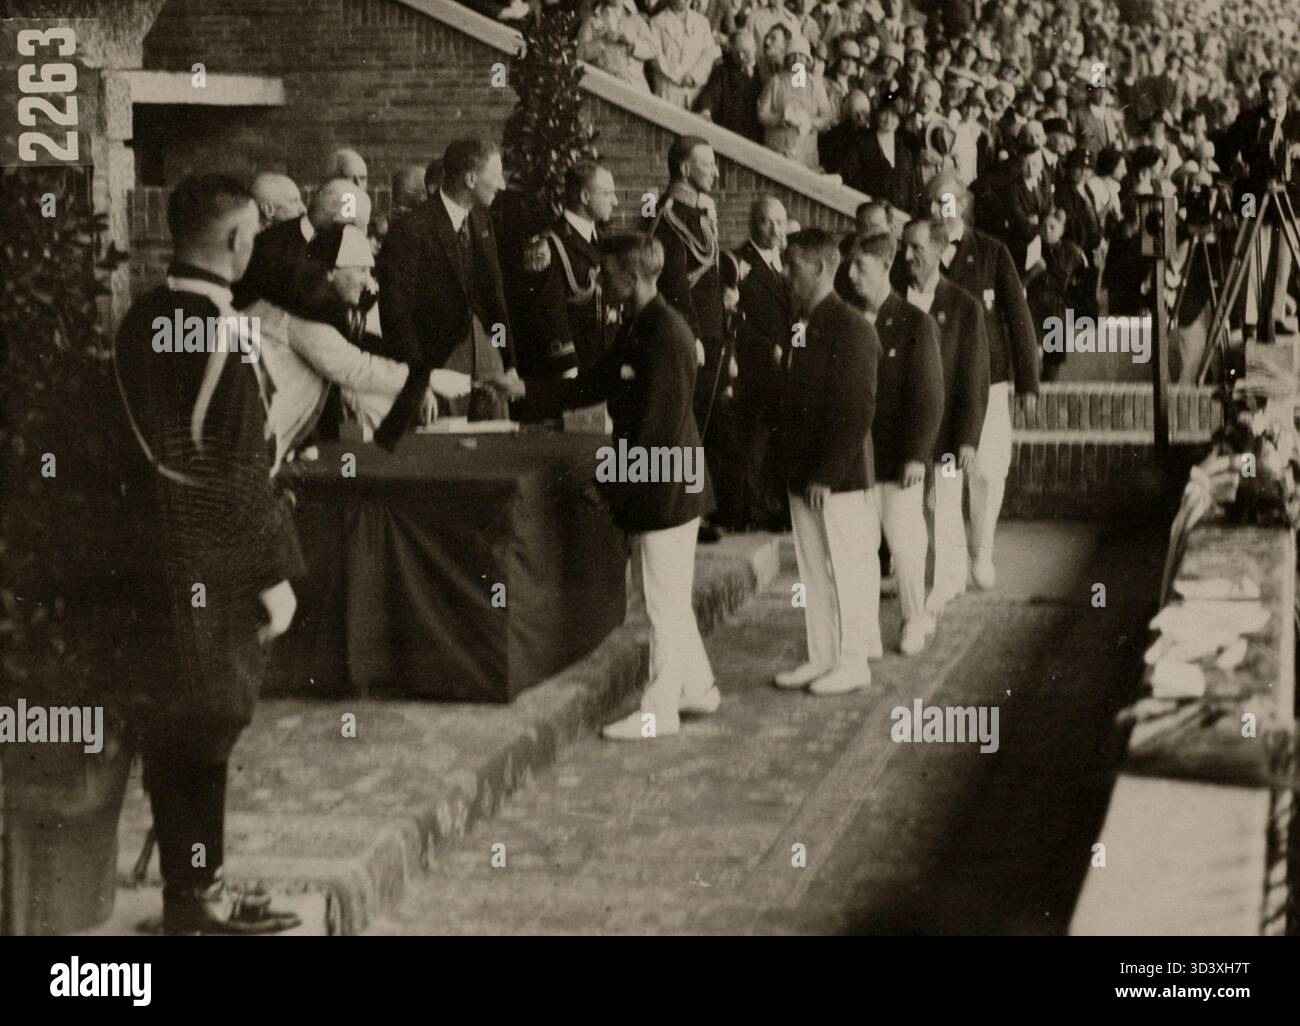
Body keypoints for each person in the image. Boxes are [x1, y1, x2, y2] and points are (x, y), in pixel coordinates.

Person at [113, 174, 305, 934]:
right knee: (210, 722)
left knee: (180, 723)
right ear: (235, 242)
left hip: (151, 556)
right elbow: (232, 471)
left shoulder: (141, 322)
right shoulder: (221, 332)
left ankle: (197, 886)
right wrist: (275, 575)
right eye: (254, 233)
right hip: (211, 560)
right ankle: (196, 899)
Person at [565, 234, 719, 740]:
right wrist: (524, 393)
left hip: (667, 487)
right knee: (671, 598)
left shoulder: (665, 335)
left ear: (631, 280)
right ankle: (697, 689)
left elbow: (657, 431)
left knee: (663, 604)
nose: (600, 282)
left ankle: (660, 710)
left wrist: (611, 488)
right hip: (663, 483)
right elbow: (593, 383)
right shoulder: (640, 326)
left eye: (607, 275)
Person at [773, 228, 877, 695]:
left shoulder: (851, 326)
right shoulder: (803, 324)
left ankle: (854, 661)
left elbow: (855, 409)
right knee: (813, 571)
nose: (786, 272)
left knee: (848, 570)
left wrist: (826, 475)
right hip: (803, 474)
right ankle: (823, 656)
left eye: (792, 264)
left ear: (818, 268)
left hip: (837, 481)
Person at [375, 137, 524, 448]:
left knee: (496, 451)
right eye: (495, 176)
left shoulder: (482, 220)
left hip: (488, 359)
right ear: (470, 179)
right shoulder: (411, 229)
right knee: (444, 451)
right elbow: (396, 315)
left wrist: (508, 363)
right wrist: (418, 384)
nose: (501, 185)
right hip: (438, 366)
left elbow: (494, 298)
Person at [929, 172, 1038, 590]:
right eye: (934, 203)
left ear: (963, 204)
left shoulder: (992, 252)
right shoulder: (921, 251)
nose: (940, 211)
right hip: (939, 379)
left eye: (948, 202)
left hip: (989, 380)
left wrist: (1027, 381)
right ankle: (951, 564)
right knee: (946, 475)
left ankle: (982, 551)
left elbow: (1018, 318)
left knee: (989, 472)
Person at [845, 229, 943, 656]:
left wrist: (917, 455)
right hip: (856, 463)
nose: (851, 275)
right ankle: (864, 631)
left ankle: (914, 618)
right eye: (850, 266)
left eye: (860, 267)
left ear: (886, 267)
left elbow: (928, 394)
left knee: (905, 547)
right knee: (860, 551)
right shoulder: (847, 320)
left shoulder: (913, 323)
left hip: (896, 458)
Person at [647, 136, 735, 539]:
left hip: (711, 335)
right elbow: (676, 285)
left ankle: (700, 508)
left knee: (704, 423)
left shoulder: (698, 212)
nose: (715, 172)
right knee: (687, 424)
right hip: (691, 337)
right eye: (707, 164)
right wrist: (695, 336)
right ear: (684, 170)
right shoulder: (670, 216)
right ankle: (688, 511)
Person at [900, 217, 989, 615]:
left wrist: (969, 437)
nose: (908, 257)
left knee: (945, 505)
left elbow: (975, 375)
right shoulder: (895, 301)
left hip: (950, 430)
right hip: (907, 430)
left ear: (939, 251)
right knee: (914, 511)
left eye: (917, 249)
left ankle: (945, 581)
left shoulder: (963, 306)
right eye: (905, 248)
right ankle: (932, 578)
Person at [514, 161, 618, 420]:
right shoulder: (549, 245)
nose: (614, 201)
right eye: (607, 193)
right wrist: (567, 368)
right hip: (569, 373)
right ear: (584, 196)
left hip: (600, 369)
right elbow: (547, 314)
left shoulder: (603, 243)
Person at [734, 195, 792, 531]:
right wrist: (767, 347)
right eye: (767, 221)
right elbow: (734, 320)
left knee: (780, 443)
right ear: (753, 223)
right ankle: (751, 513)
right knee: (754, 444)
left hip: (786, 369)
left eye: (780, 222)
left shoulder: (785, 263)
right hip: (756, 369)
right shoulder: (739, 263)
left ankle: (777, 511)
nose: (775, 229)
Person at [758, 49, 836, 169]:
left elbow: (826, 115)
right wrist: (778, 119)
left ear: (807, 59)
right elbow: (762, 114)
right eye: (792, 55)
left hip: (806, 150)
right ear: (786, 58)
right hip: (778, 147)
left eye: (801, 55)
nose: (797, 59)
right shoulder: (776, 82)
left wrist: (810, 122)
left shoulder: (815, 84)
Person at [694, 32, 763, 142]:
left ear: (755, 48)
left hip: (754, 138)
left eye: (745, 52)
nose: (741, 57)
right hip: (728, 134)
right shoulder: (722, 71)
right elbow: (711, 94)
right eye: (736, 52)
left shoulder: (764, 73)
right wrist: (706, 110)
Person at [578, 0, 659, 93]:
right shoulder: (592, 20)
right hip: (603, 84)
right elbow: (580, 53)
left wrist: (633, 44)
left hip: (633, 85)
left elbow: (653, 50)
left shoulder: (637, 20)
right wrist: (601, 43)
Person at [650, 0, 720, 109]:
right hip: (667, 91)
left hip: (694, 93)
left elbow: (708, 54)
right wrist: (679, 77)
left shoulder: (702, 22)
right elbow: (656, 57)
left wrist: (693, 77)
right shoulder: (656, 22)